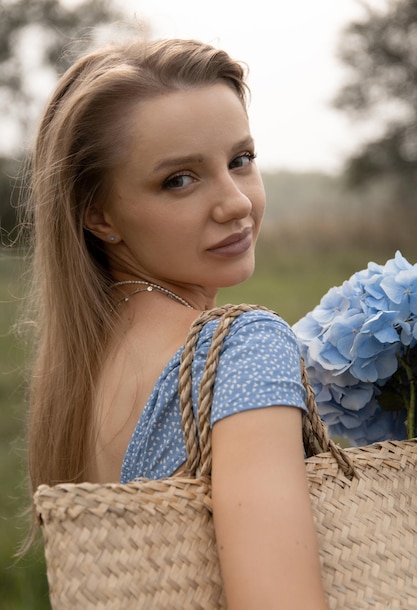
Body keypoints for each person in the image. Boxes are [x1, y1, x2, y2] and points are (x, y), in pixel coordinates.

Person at [23, 36, 328, 609]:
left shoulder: (84, 363)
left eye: (240, 159)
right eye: (179, 180)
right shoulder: (239, 347)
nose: (236, 201)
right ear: (98, 214)